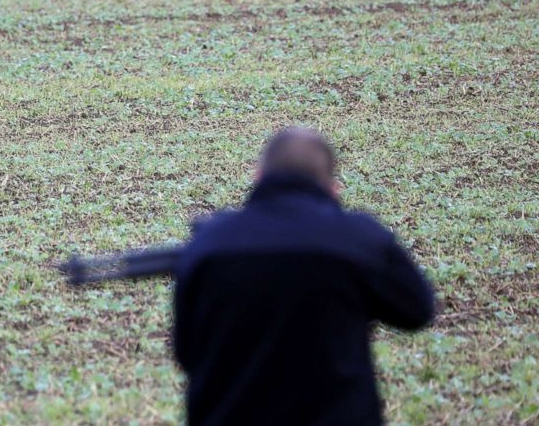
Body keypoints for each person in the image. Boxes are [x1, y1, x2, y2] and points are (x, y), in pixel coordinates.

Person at [173, 127, 436, 426]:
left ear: (257, 177)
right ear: (333, 188)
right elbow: (417, 310)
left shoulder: (209, 241)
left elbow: (185, 349)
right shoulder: (359, 238)